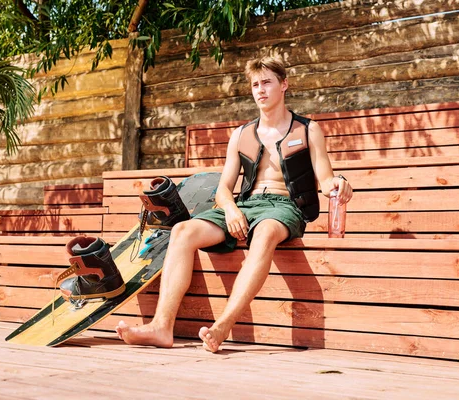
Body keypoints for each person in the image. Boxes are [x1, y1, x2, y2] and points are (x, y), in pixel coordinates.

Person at [115, 54, 353, 352]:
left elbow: (326, 177)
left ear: (284, 85)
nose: (260, 90)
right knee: (182, 232)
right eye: (255, 84)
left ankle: (223, 325)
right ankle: (161, 327)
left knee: (265, 233)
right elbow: (224, 189)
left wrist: (340, 183)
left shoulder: (307, 130)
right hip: (246, 205)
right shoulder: (241, 135)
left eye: (267, 82)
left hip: (285, 207)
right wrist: (230, 209)